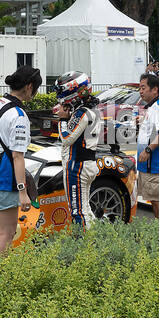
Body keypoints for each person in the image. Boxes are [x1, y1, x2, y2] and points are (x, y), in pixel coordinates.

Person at [0, 65, 40, 259]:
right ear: (29, 87)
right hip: (2, 178)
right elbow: (17, 156)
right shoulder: (19, 116)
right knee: (7, 232)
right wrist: (23, 192)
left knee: (1, 230)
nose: (35, 94)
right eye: (36, 89)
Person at [52, 70, 102, 229]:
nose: (60, 97)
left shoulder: (82, 112)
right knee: (85, 209)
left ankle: (84, 248)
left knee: (77, 212)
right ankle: (94, 240)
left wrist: (62, 119)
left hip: (77, 167)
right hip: (87, 163)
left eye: (62, 91)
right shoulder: (93, 108)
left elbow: (67, 138)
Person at [136, 71, 159, 222]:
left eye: (143, 88)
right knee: (153, 199)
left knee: (158, 200)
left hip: (155, 164)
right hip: (148, 165)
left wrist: (148, 150)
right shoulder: (151, 108)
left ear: (155, 89)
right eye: (140, 88)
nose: (141, 91)